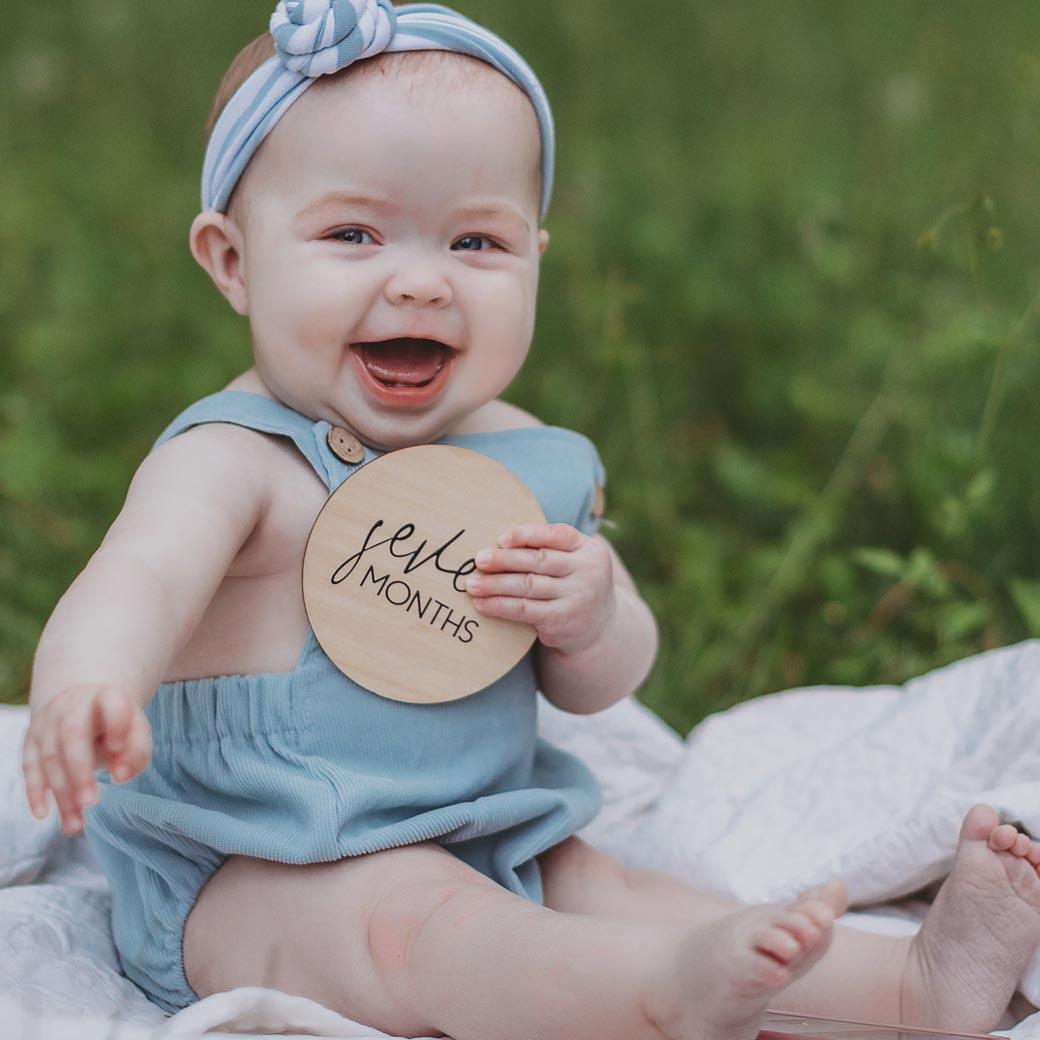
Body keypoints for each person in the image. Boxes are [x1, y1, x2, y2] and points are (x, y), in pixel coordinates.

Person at [19, 2, 1040, 1037]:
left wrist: (590, 614)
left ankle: (911, 981)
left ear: (535, 256)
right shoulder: (234, 462)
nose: (420, 279)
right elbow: (136, 578)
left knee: (615, 885)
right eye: (351, 233)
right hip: (254, 866)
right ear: (232, 259)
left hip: (484, 820)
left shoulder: (515, 455)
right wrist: (87, 687)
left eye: (475, 239)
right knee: (413, 928)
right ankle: (653, 994)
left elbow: (599, 684)